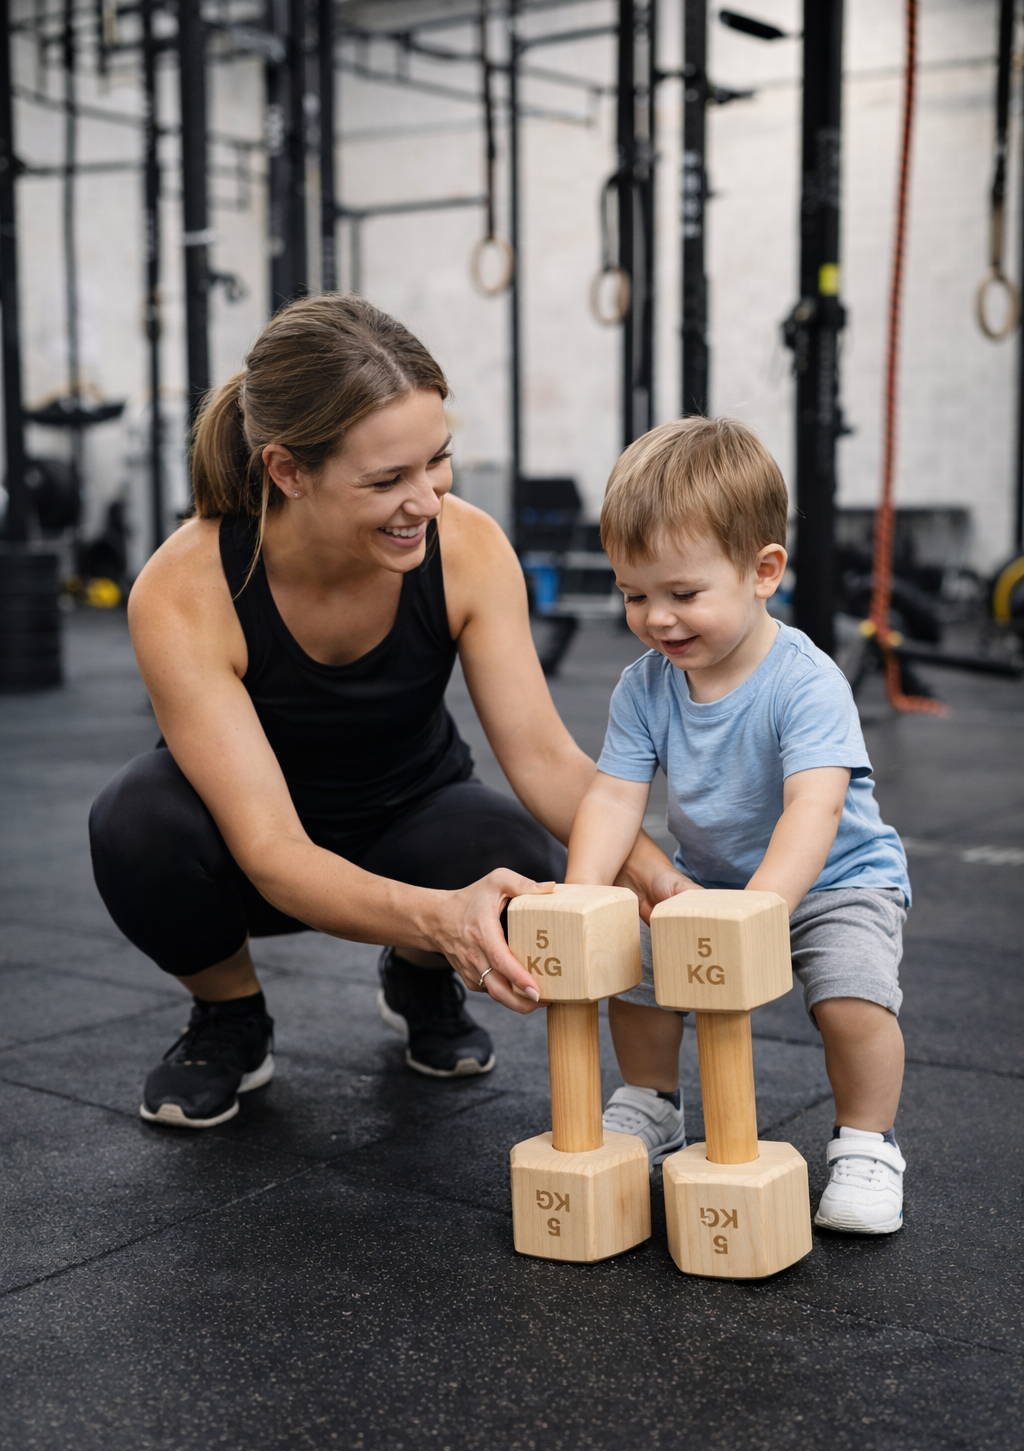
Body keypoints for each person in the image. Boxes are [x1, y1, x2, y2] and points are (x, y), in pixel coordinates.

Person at [89, 295, 668, 1129]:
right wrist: (445, 919)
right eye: (387, 480)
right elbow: (274, 850)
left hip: (412, 818)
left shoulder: (467, 546)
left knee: (521, 858)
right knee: (133, 823)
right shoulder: (185, 588)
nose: (426, 500)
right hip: (245, 855)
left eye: (438, 461)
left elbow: (545, 759)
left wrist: (653, 875)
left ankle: (418, 976)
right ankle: (229, 1015)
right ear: (289, 471)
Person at [565, 417, 911, 1235]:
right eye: (635, 595)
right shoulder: (645, 686)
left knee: (852, 996)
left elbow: (815, 806)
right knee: (633, 964)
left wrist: (762, 908)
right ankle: (652, 1102)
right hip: (709, 883)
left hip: (836, 883)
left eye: (683, 595)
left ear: (763, 573)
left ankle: (867, 1142)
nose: (657, 618)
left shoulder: (806, 682)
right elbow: (613, 798)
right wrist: (582, 895)